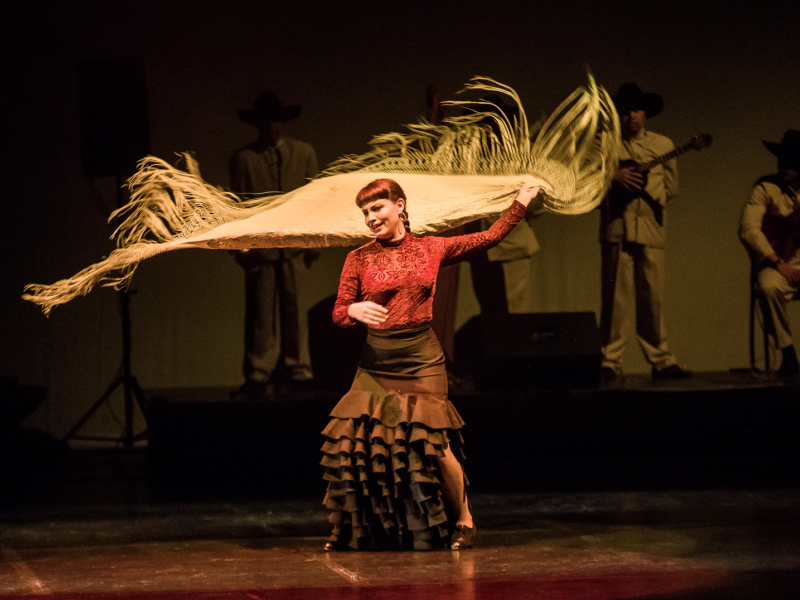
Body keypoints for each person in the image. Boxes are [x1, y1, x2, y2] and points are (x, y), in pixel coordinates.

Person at [321, 178, 539, 551]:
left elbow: (489, 238)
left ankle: (465, 520)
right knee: (356, 443)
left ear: (400, 206)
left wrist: (520, 202)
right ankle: (358, 530)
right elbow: (339, 313)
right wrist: (354, 310)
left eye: (378, 208)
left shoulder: (431, 248)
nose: (371, 218)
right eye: (365, 213)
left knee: (434, 443)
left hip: (421, 358)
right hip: (377, 361)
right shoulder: (357, 258)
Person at [599, 83, 691, 384]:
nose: (631, 117)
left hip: (651, 228)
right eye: (625, 111)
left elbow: (672, 188)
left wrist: (651, 198)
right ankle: (610, 361)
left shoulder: (663, 145)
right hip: (617, 227)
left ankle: (662, 360)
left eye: (636, 110)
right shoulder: (605, 144)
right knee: (616, 298)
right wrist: (613, 176)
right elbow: (586, 182)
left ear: (645, 113)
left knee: (653, 297)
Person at [229, 92, 319, 400]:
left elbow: (314, 199)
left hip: (294, 244)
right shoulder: (244, 159)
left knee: (296, 311)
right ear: (258, 124)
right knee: (260, 314)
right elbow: (236, 207)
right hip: (262, 248)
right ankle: (259, 372)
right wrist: (239, 252)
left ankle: (299, 369)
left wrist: (314, 241)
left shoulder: (303, 153)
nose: (272, 126)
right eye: (267, 121)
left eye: (276, 120)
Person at [739, 129, 800, 378]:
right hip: (776, 263)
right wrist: (776, 262)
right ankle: (788, 353)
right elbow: (749, 229)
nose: (783, 165)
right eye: (781, 159)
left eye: (791, 159)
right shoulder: (765, 188)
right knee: (768, 288)